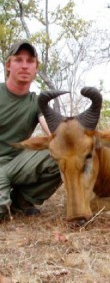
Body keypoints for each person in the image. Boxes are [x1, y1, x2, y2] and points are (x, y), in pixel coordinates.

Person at [0, 40, 61, 222]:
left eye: (30, 61)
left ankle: (22, 200)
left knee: (62, 154)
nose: (25, 66)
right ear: (8, 65)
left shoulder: (37, 102)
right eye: (18, 60)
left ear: (36, 67)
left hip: (17, 163)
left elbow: (53, 133)